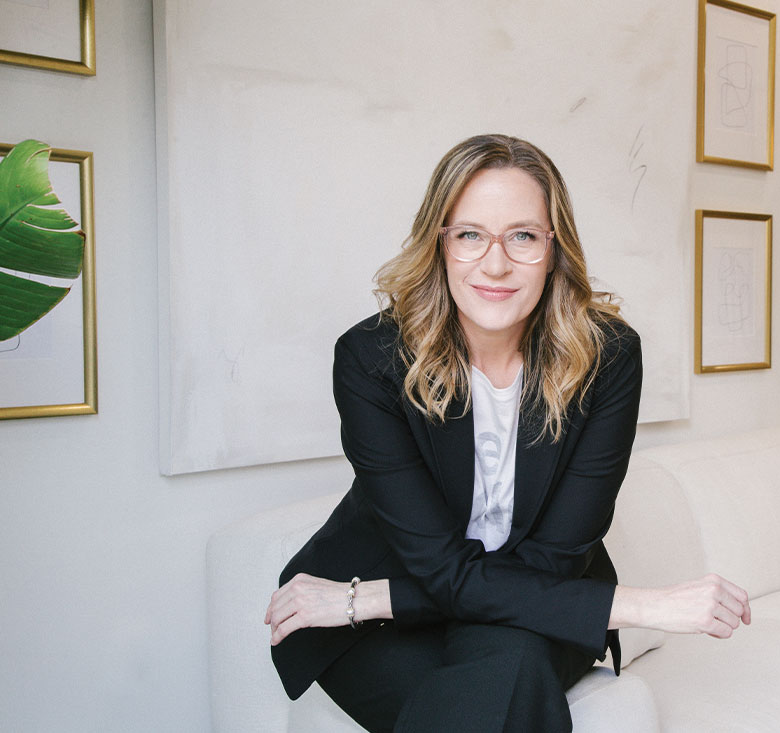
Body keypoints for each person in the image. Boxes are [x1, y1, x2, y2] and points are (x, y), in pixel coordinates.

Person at [264, 133, 751, 732]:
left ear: (554, 248)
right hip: (380, 626)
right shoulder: (373, 359)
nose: (495, 264)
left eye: (522, 235)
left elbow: (556, 557)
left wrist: (374, 595)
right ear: (438, 244)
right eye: (470, 234)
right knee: (490, 699)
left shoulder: (608, 357)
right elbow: (440, 568)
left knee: (499, 682)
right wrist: (638, 607)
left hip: (463, 595)